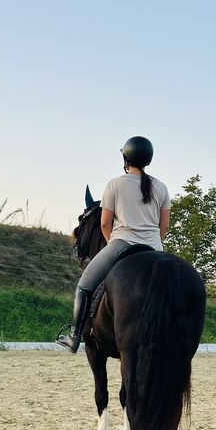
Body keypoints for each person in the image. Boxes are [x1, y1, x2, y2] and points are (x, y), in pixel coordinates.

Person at [56, 136, 171, 353]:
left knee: (83, 286)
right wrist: (153, 243)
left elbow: (104, 222)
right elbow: (164, 227)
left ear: (126, 158)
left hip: (121, 244)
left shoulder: (115, 184)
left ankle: (73, 337)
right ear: (148, 159)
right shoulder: (161, 187)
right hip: (155, 248)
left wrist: (113, 245)